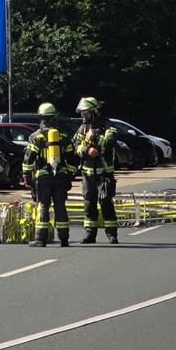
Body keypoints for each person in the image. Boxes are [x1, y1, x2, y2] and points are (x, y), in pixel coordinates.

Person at [23, 102, 78, 247]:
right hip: (60, 177)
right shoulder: (64, 136)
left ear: (41, 118)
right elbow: (72, 159)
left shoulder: (36, 137)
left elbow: (29, 158)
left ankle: (40, 240)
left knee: (43, 207)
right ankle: (64, 239)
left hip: (43, 177)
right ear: (54, 117)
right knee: (60, 206)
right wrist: (69, 175)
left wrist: (27, 176)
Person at [73, 97, 119, 244]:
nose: (84, 116)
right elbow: (75, 146)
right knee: (89, 203)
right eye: (83, 113)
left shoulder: (107, 125)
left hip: (104, 173)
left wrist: (94, 138)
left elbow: (110, 142)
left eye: (87, 113)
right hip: (87, 173)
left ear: (95, 111)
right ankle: (90, 234)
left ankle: (112, 234)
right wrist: (86, 149)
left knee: (106, 202)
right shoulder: (83, 128)